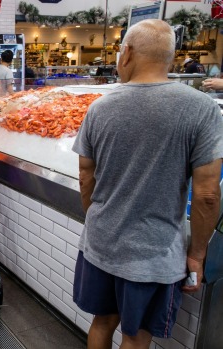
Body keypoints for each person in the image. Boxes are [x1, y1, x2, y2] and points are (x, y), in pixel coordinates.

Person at [72, 19, 223, 349]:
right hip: (155, 254)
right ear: (169, 58)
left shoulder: (99, 108)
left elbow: (86, 177)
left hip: (100, 245)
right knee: (136, 337)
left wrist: (98, 220)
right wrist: (196, 255)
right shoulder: (201, 109)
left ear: (125, 54)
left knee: (101, 324)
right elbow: (208, 194)